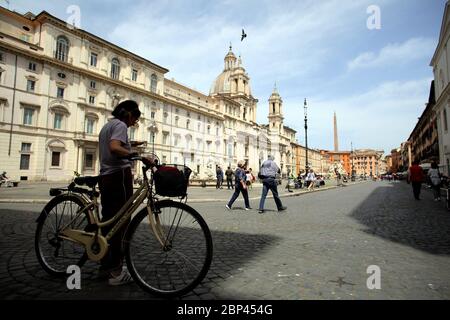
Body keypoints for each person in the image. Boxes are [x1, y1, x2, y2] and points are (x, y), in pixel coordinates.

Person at [98, 100, 154, 286]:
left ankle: (104, 265)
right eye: (134, 119)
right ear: (128, 114)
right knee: (122, 222)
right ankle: (116, 273)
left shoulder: (108, 125)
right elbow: (114, 147)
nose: (133, 123)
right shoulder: (121, 125)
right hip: (119, 177)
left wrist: (131, 144)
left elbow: (114, 143)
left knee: (109, 221)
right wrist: (137, 156)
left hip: (105, 176)